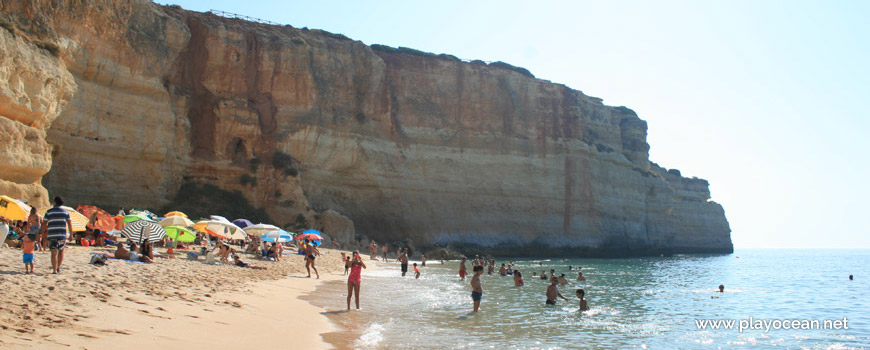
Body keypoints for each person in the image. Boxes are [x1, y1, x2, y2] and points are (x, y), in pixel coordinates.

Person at [43, 196, 73, 274]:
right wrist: (71, 235)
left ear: (55, 202)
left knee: (53, 253)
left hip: (52, 234)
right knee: (61, 251)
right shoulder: (66, 212)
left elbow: (44, 224)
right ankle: (58, 267)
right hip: (62, 234)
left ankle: (54, 270)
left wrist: (41, 232)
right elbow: (69, 224)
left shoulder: (48, 212)